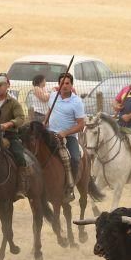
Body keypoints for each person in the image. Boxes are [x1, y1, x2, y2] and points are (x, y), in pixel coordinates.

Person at [46, 72, 84, 203]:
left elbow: (81, 124)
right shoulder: (53, 96)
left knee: (74, 158)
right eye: (62, 83)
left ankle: (69, 187)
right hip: (50, 133)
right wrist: (44, 123)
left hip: (69, 137)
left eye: (67, 83)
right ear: (59, 84)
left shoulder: (77, 102)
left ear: (71, 85)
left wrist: (65, 133)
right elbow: (49, 111)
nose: (64, 86)